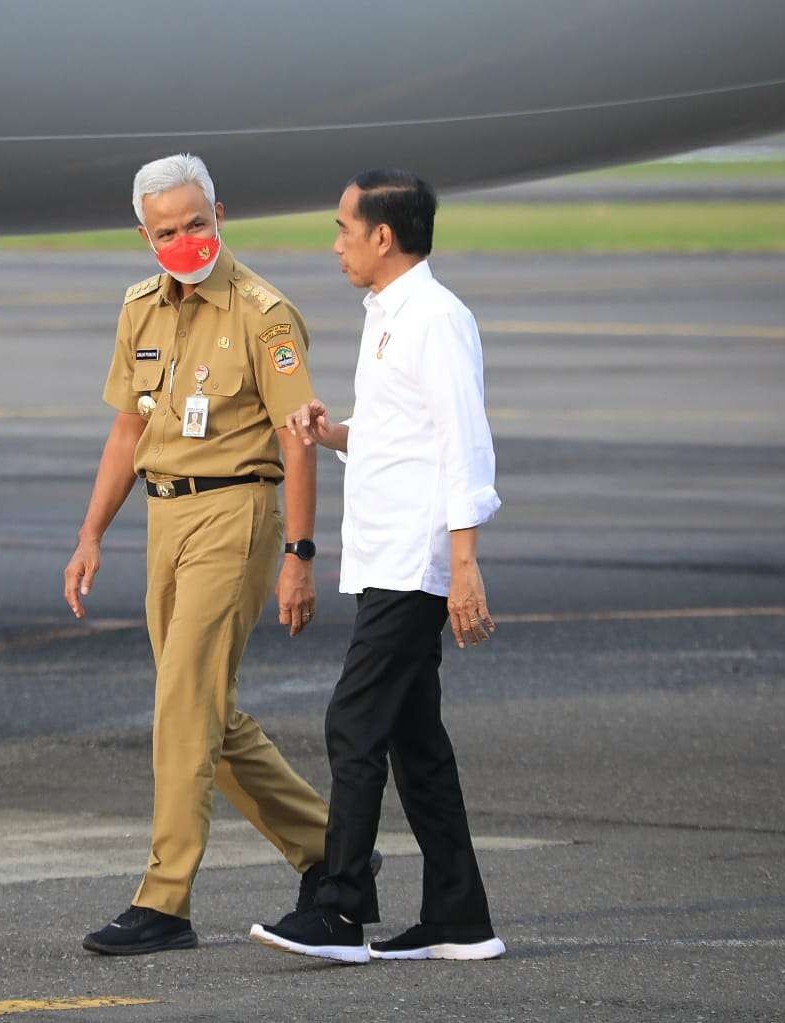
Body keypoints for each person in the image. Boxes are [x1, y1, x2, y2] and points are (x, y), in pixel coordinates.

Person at [64, 153, 345, 956]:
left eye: (194, 222)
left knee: (182, 706)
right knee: (206, 714)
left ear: (219, 215)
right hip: (164, 517)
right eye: (165, 230)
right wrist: (91, 533)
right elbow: (128, 430)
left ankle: (163, 901)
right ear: (143, 234)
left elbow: (300, 441)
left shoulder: (265, 314)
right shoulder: (139, 310)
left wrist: (299, 552)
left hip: (237, 513)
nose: (182, 239)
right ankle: (330, 850)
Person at [250, 169, 506, 964]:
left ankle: (340, 908)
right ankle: (459, 918)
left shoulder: (434, 318)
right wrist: (331, 432)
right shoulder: (390, 315)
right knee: (410, 737)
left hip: (415, 557)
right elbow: (404, 434)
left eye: (342, 229)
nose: (335, 244)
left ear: (382, 237)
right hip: (387, 552)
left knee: (352, 722)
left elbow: (464, 442)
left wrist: (463, 563)